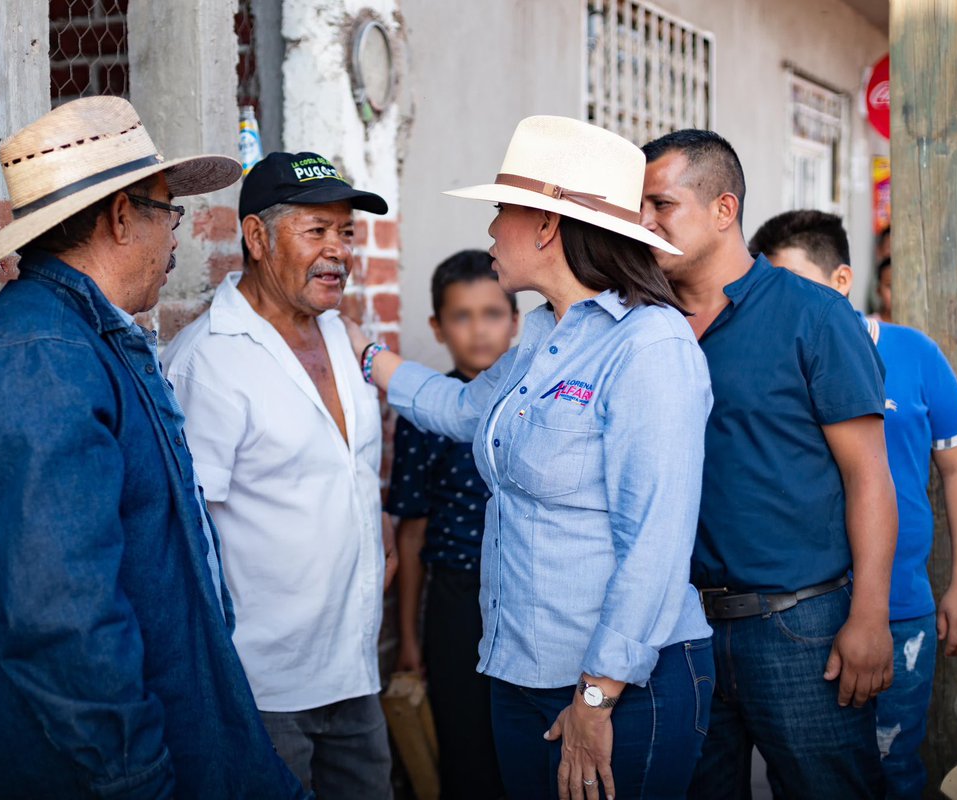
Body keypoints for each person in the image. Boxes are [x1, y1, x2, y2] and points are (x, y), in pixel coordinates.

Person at [0, 97, 306, 800]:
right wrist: (137, 779)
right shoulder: (40, 361)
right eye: (169, 212)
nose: (178, 237)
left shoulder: (85, 339)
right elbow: (65, 617)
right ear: (122, 217)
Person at [349, 116, 715, 800]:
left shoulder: (648, 347)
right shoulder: (544, 337)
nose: (490, 230)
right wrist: (367, 355)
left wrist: (598, 696)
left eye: (500, 211)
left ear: (547, 226)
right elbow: (462, 410)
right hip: (520, 673)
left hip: (618, 687)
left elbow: (656, 546)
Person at [639, 130, 898, 799]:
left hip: (800, 627)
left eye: (660, 204)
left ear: (724, 209)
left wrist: (870, 616)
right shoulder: (647, 325)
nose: (644, 222)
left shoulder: (812, 314)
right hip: (679, 633)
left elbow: (869, 474)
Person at [161, 150, 397, 798]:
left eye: (345, 232)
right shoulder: (210, 362)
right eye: (316, 231)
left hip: (353, 673)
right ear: (258, 237)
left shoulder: (343, 340)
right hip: (260, 690)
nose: (338, 251)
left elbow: (346, 476)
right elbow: (187, 537)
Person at [751, 209, 957, 799]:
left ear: (842, 281)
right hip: (797, 619)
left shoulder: (915, 355)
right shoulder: (768, 365)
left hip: (898, 611)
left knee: (894, 769)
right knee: (806, 780)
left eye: (792, 285)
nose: (778, 305)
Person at [387, 249, 517, 800]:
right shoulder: (424, 414)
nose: (479, 330)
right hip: (456, 601)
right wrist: (410, 640)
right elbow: (411, 532)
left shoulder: (532, 399)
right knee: (464, 741)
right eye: (462, 316)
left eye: (492, 313)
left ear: (515, 320)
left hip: (524, 592)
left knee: (525, 735)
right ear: (438, 327)